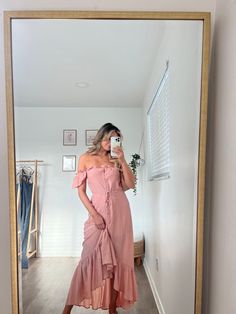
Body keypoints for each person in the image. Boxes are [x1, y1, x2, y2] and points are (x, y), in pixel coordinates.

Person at [62, 123, 138, 314]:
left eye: (116, 138)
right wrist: (95, 215)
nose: (110, 142)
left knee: (118, 261)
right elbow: (81, 192)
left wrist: (121, 160)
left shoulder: (116, 159)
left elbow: (130, 185)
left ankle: (113, 308)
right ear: (101, 137)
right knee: (88, 258)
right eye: (109, 137)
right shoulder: (85, 158)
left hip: (120, 214)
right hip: (98, 212)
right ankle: (67, 309)